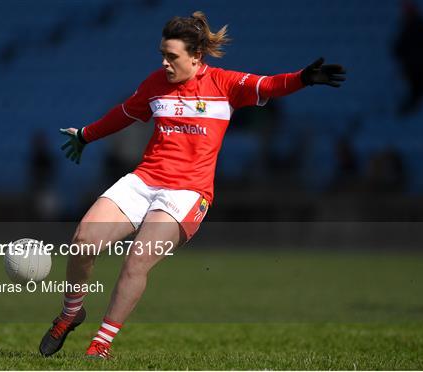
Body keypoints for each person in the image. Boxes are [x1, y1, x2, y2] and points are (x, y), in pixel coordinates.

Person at [39, 11, 346, 359]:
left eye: (172, 57)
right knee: (83, 241)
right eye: (162, 55)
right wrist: (85, 135)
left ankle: (101, 345)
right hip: (144, 180)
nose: (165, 63)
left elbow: (269, 85)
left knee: (136, 260)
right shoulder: (156, 83)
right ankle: (71, 313)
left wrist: (303, 78)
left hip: (187, 193)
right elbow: (125, 112)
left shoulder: (224, 84)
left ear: (196, 57)